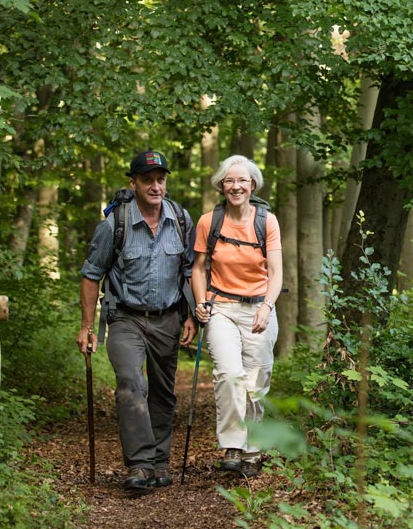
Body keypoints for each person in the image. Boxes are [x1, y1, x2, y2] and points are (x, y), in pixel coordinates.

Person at [76, 150, 197, 492]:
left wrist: (191, 317)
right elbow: (90, 275)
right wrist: (86, 326)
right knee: (131, 384)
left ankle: (160, 462)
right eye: (147, 180)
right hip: (125, 318)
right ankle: (141, 465)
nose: (155, 186)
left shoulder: (181, 219)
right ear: (133, 183)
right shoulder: (114, 224)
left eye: (160, 179)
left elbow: (190, 271)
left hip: (169, 317)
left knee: (163, 392)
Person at [191, 154, 283, 478]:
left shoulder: (267, 221)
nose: (235, 186)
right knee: (230, 373)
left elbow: (276, 272)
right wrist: (200, 301)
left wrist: (266, 306)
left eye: (242, 180)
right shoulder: (209, 222)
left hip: (259, 305)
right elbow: (198, 268)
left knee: (256, 380)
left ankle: (253, 449)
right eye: (229, 181)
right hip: (222, 308)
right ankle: (232, 444)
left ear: (253, 184)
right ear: (221, 186)